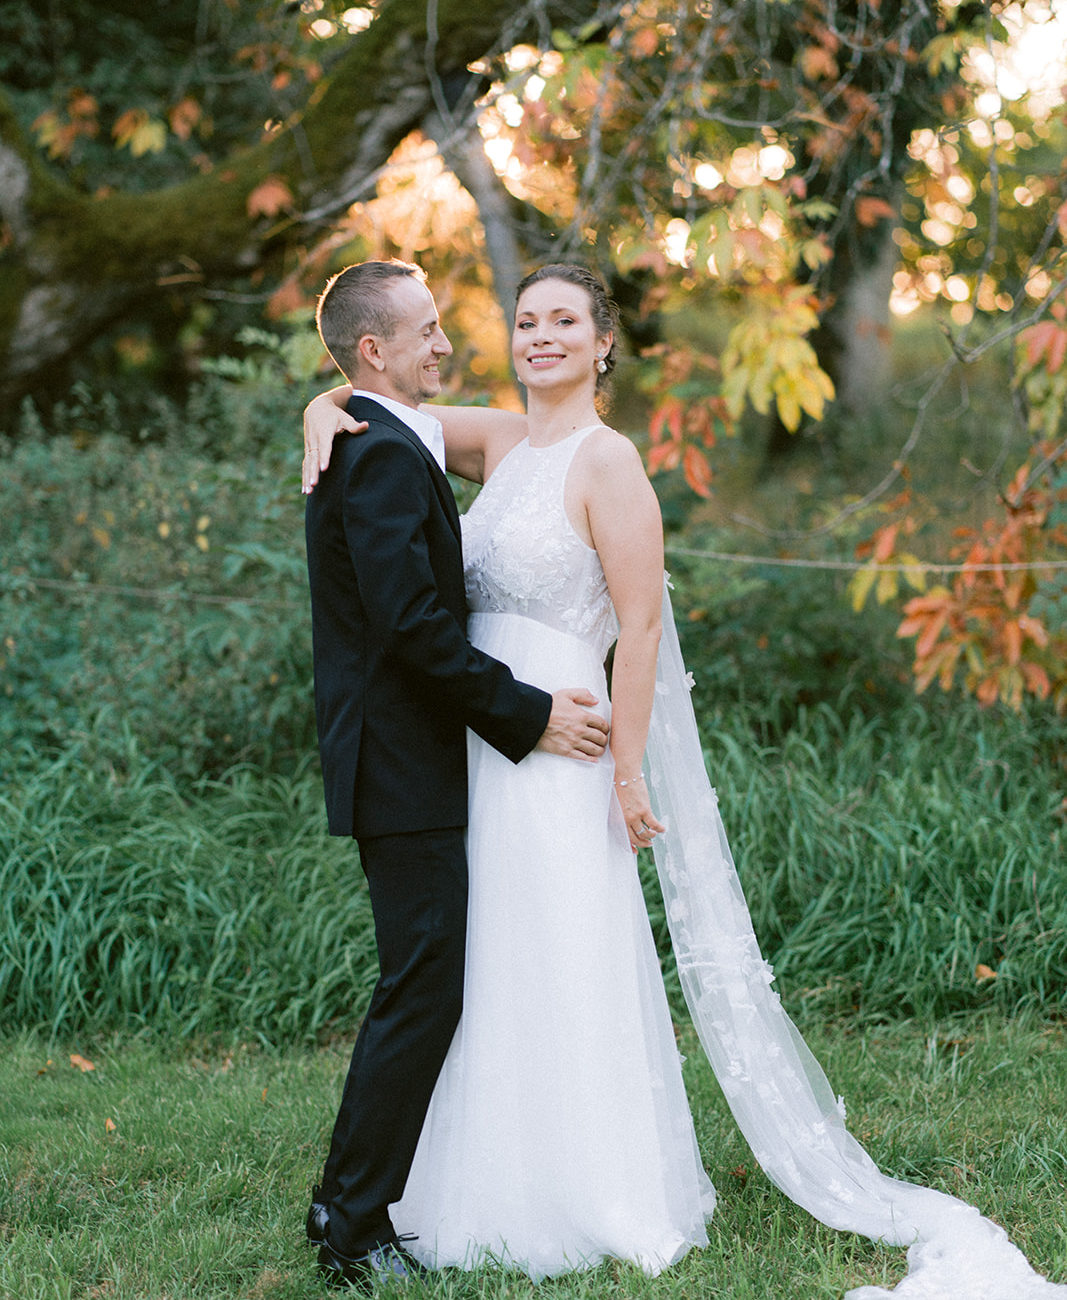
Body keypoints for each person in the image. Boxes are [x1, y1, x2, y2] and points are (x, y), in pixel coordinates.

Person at [302, 263, 1067, 1298]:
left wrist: (622, 763)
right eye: (522, 320)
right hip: (478, 744)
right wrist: (323, 400)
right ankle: (452, 1184)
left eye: (562, 321)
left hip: (555, 735)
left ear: (602, 341)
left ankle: (574, 1180)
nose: (535, 337)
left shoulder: (608, 460)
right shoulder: (491, 440)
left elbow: (641, 623)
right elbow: (380, 401)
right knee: (475, 964)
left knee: (558, 946)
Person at [302, 260, 610, 1291]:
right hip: (403, 763)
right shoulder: (381, 454)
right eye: (426, 331)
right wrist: (525, 712)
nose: (447, 344)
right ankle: (350, 1220)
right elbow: (412, 628)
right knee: (421, 988)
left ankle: (350, 1201)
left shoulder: (389, 432)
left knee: (422, 981)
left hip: (412, 761)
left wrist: (327, 392)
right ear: (376, 351)